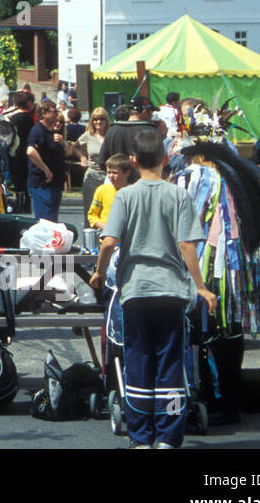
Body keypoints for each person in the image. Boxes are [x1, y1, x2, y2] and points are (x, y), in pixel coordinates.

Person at [89, 130, 217, 449]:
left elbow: (108, 242)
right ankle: (169, 438)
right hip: (171, 291)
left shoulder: (125, 196)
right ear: (163, 159)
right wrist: (200, 287)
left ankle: (142, 437)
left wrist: (99, 273)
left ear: (132, 161)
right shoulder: (179, 196)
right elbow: (187, 245)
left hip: (136, 291)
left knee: (139, 360)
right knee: (171, 363)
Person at [174, 141, 260, 425]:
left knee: (208, 329)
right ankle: (229, 399)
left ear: (201, 156)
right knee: (231, 327)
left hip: (212, 265)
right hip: (238, 267)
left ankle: (213, 396)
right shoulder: (238, 177)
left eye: (191, 157)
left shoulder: (201, 178)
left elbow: (186, 224)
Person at [26, 101, 67, 221]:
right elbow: (30, 151)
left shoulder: (51, 132)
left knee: (52, 223)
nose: (56, 114)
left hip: (54, 185)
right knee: (45, 223)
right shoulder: (38, 130)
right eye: (54, 111)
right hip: (43, 185)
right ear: (43, 113)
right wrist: (46, 170)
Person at [86, 154, 136, 229]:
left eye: (115, 173)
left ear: (127, 173)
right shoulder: (102, 190)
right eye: (109, 172)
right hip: (107, 236)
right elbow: (92, 215)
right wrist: (105, 227)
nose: (111, 176)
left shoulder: (133, 192)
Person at [77, 106, 111, 211]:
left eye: (101, 119)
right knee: (91, 210)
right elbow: (75, 147)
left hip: (109, 176)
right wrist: (82, 157)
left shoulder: (111, 135)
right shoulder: (88, 135)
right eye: (95, 119)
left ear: (106, 120)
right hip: (92, 175)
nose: (98, 122)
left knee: (107, 210)